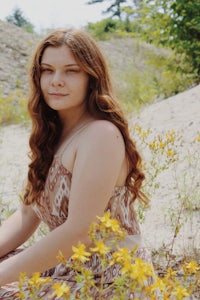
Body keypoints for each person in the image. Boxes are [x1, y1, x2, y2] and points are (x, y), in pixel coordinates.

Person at [0, 28, 152, 299]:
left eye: (71, 71)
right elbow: (26, 215)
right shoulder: (52, 135)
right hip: (67, 267)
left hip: (108, 277)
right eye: (48, 70)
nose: (56, 81)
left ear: (91, 78)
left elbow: (79, 233)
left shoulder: (100, 134)